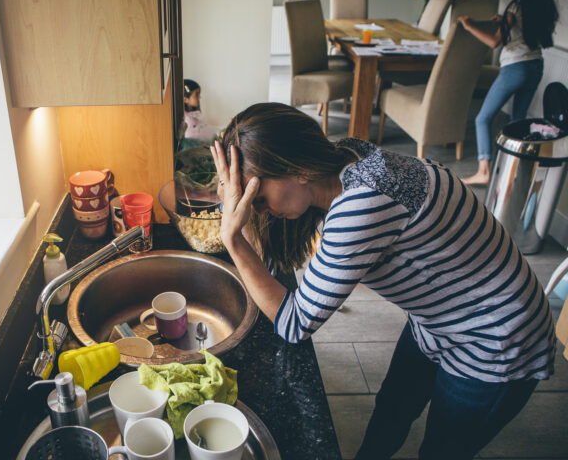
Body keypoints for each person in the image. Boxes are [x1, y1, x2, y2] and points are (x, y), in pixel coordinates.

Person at [210, 102, 555, 460]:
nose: (258, 210)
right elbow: (266, 268)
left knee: (442, 449)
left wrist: (233, 237)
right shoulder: (347, 156)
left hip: (495, 337)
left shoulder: (361, 204)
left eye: (258, 198)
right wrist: (234, 209)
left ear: (298, 170)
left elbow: (293, 323)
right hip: (437, 320)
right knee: (392, 409)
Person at [459, 0, 558, 185]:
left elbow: (494, 42)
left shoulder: (515, 6)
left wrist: (468, 26)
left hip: (515, 68)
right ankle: (515, 169)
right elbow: (526, 31)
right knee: (518, 120)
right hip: (535, 66)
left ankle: (484, 171)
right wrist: (504, 21)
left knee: (483, 118)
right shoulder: (541, 5)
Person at [180, 79, 219, 151]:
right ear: (185, 99)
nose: (199, 97)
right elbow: (192, 136)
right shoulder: (188, 119)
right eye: (196, 95)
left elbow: (205, 129)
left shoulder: (194, 114)